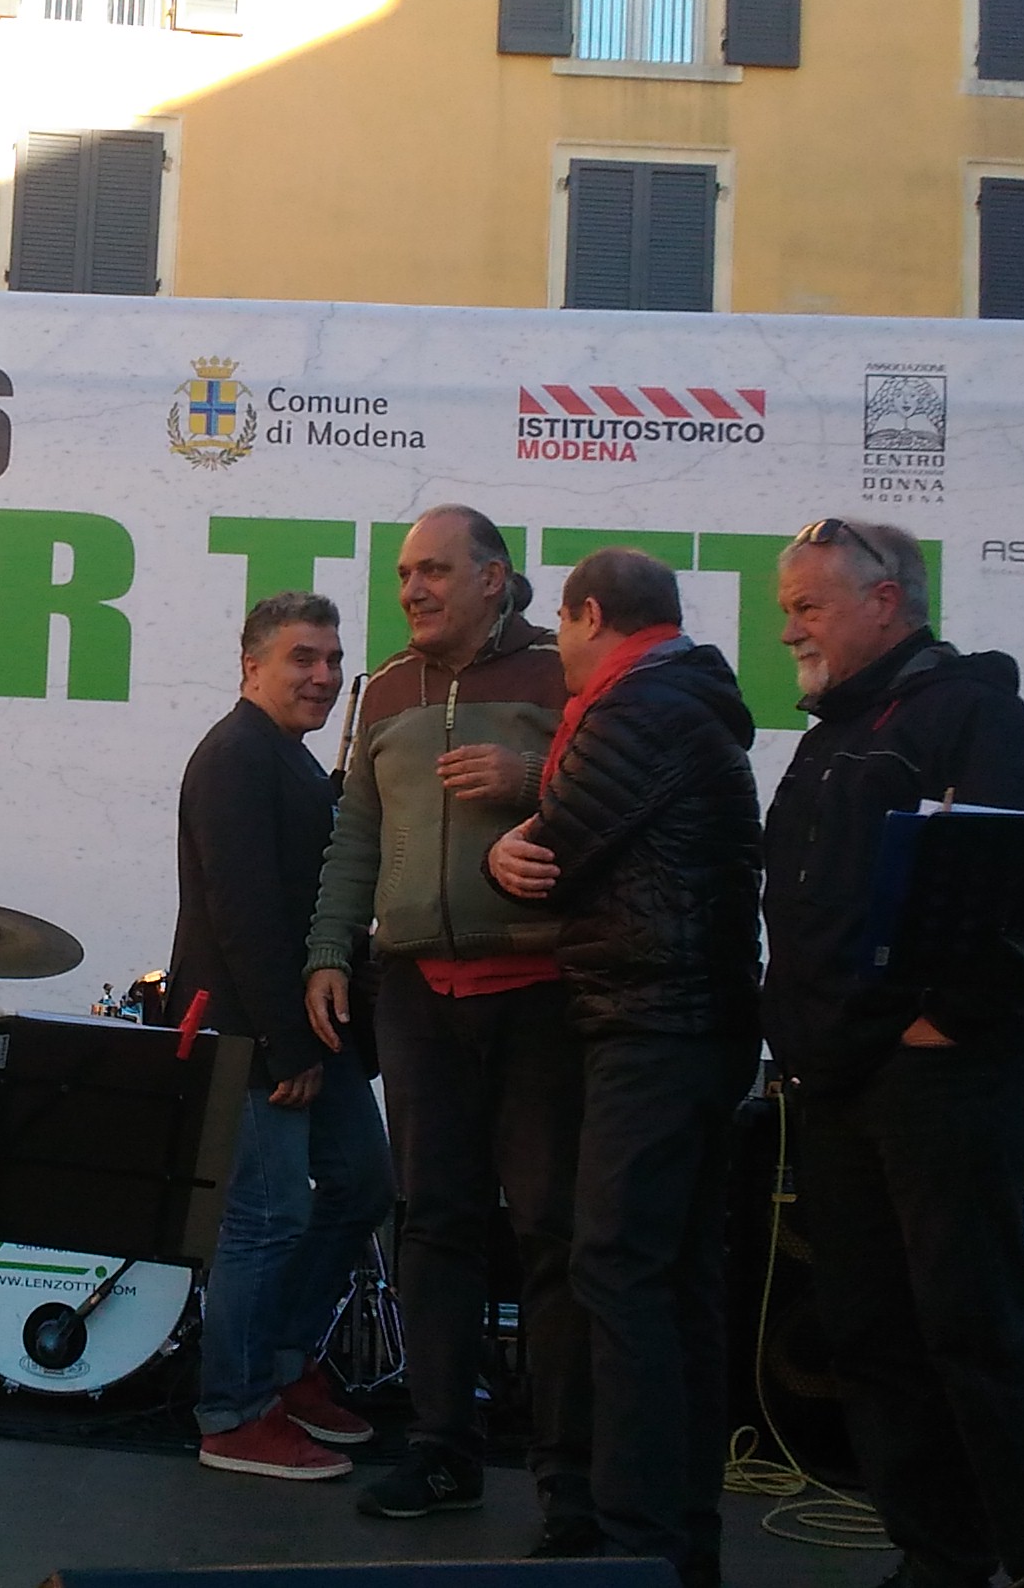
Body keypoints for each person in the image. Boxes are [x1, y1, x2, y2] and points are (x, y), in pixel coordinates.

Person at [760, 518, 1024, 1588]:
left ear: (885, 601)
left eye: (808, 606)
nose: (789, 630)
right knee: (868, 1332)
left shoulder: (978, 716)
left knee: (971, 1325)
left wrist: (950, 1020)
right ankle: (937, 1558)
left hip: (950, 1076)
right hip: (839, 1078)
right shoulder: (831, 734)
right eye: (786, 610)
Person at [298, 506, 586, 1547]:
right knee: (433, 1227)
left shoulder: (561, 674)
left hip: (544, 990)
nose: (412, 590)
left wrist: (532, 780)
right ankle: (441, 1449)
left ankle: (570, 1480)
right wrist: (330, 951)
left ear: (494, 579)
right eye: (403, 573)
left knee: (551, 1231)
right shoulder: (384, 687)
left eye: (433, 571)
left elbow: (629, 797)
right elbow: (354, 837)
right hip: (418, 992)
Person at [484, 549, 762, 1584]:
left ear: (591, 614)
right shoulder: (685, 699)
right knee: (674, 1277)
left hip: (654, 1021)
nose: (556, 647)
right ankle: (680, 1537)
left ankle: (638, 1541)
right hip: (690, 1019)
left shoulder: (636, 706)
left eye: (561, 624)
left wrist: (496, 855)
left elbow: (553, 852)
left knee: (618, 1269)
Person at [177, 592, 396, 1482]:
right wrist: (285, 1047)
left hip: (311, 1024)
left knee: (363, 1183)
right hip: (259, 1031)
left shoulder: (290, 760)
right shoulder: (235, 756)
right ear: (251, 666)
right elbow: (245, 916)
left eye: (333, 659)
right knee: (266, 1219)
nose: (324, 675)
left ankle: (281, 1362)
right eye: (303, 658)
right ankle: (232, 1413)